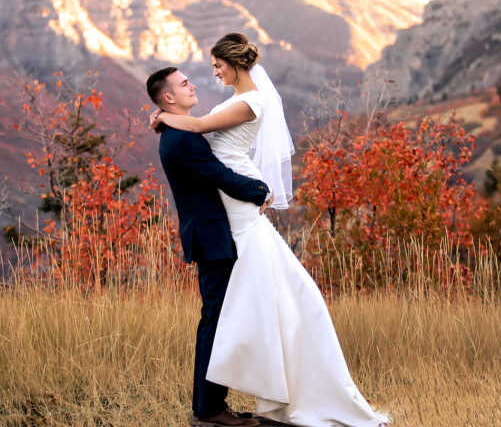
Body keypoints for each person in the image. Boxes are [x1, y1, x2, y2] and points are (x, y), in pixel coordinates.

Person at [150, 33, 389, 427]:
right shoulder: (227, 104)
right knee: (253, 305)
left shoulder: (251, 101)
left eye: (216, 66)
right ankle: (232, 404)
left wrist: (162, 117)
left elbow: (199, 127)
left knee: (270, 300)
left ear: (234, 63)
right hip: (229, 208)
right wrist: (164, 117)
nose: (210, 74)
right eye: (204, 72)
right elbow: (198, 133)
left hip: (237, 203)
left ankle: (256, 400)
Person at [146, 65, 272, 427]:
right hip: (212, 235)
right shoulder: (182, 138)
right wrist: (260, 190)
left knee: (219, 318)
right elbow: (220, 176)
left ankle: (212, 405)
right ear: (168, 98)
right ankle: (209, 410)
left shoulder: (175, 130)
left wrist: (162, 118)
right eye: (184, 84)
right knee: (215, 321)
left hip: (211, 232)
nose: (192, 85)